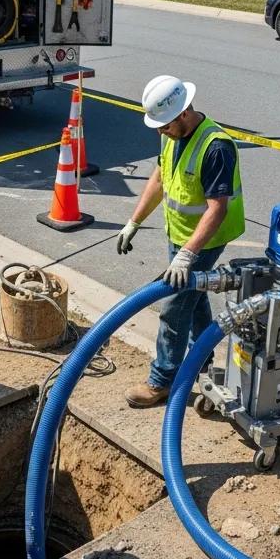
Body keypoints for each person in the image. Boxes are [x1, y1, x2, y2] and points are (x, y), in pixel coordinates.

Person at [116, 75, 245, 408]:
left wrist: (187, 255)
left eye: (165, 125)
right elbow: (160, 177)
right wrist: (134, 221)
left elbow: (217, 209)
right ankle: (204, 366)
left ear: (185, 111)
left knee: (174, 307)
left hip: (206, 238)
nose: (160, 131)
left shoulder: (216, 146)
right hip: (179, 233)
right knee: (193, 297)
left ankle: (162, 380)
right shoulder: (170, 134)